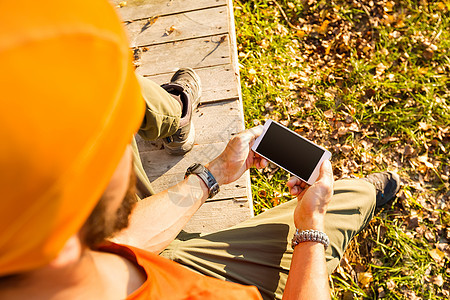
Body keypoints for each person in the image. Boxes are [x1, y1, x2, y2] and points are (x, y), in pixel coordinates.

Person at [0, 1, 401, 299]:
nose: (126, 145)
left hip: (154, 256)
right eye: (112, 140)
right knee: (346, 197)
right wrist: (310, 224)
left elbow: (122, 245)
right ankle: (367, 196)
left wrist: (216, 173)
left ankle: (176, 114)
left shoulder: (53, 261)